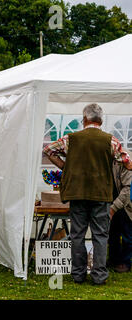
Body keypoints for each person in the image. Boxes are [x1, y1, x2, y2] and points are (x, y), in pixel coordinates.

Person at [43, 103, 132, 285]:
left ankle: (78, 274)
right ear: (101, 120)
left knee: (78, 234)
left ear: (84, 119)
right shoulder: (111, 140)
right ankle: (99, 276)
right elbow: (127, 161)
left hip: (77, 193)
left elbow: (48, 150)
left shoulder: (71, 138)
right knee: (100, 235)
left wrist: (66, 167)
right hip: (101, 194)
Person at [109, 155, 132, 273]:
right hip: (110, 200)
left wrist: (113, 208)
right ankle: (114, 259)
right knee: (112, 233)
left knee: (127, 234)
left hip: (126, 203)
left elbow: (127, 189)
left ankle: (125, 262)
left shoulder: (125, 158)